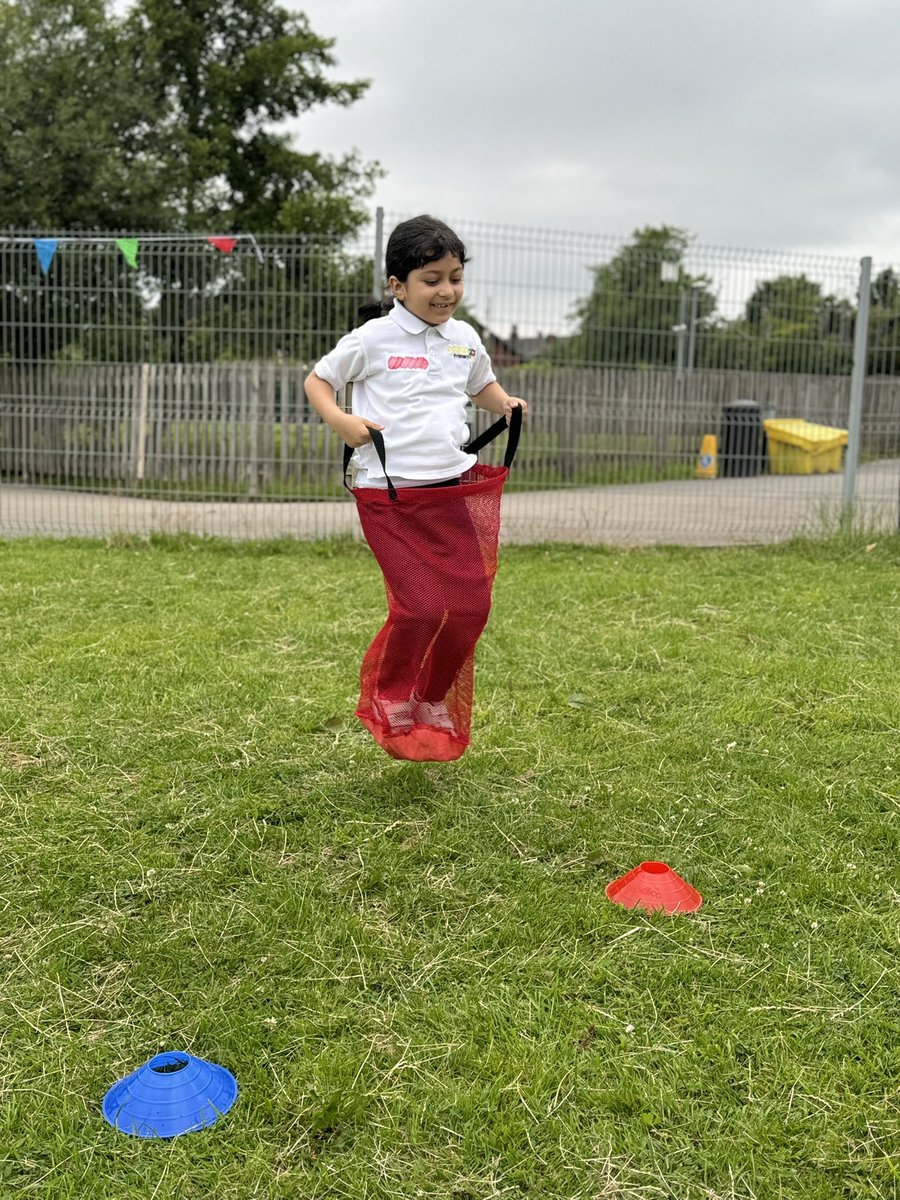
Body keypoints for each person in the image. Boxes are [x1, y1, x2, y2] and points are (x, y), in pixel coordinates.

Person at [304, 214, 527, 760]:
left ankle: (429, 697)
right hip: (389, 495)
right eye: (432, 279)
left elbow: (481, 384)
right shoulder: (372, 339)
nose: (446, 290)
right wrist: (343, 422)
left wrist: (504, 403)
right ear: (397, 286)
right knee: (422, 607)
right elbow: (318, 381)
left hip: (451, 490)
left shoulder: (464, 338)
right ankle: (390, 696)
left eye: (455, 277)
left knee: (472, 605)